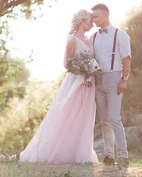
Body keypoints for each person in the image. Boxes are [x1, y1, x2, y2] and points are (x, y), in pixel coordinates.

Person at [19, 9, 99, 164]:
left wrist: (91, 71)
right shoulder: (72, 40)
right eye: (89, 20)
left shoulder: (88, 39)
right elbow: (66, 64)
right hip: (75, 82)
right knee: (67, 114)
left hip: (89, 83)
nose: (92, 23)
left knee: (84, 116)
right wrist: (82, 69)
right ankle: (54, 152)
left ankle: (80, 153)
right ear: (82, 21)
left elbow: (92, 59)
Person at [90, 3, 132, 167]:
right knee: (104, 120)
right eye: (92, 17)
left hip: (114, 78)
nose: (93, 20)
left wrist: (124, 79)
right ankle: (109, 155)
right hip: (98, 80)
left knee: (114, 118)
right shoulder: (93, 37)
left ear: (106, 15)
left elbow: (126, 58)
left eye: (96, 16)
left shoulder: (120, 34)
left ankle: (123, 155)